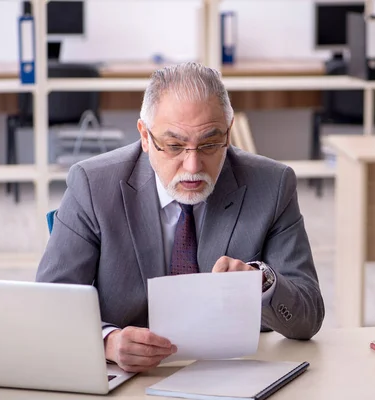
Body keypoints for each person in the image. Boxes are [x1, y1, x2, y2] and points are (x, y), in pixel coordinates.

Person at [36, 62, 325, 373]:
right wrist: (107, 342)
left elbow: (307, 319)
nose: (192, 166)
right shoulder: (92, 185)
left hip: (231, 371)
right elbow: (50, 307)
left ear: (227, 135)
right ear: (145, 137)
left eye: (209, 144)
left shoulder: (272, 185)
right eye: (174, 146)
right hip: (129, 378)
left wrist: (263, 281)